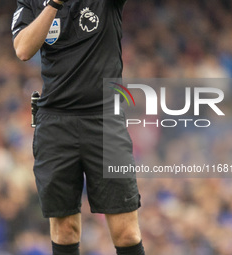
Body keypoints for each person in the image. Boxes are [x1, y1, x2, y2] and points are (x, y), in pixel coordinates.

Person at [12, 0, 145, 254]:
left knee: (127, 233)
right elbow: (23, 49)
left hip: (105, 121)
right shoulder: (31, 2)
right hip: (55, 122)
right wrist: (53, 4)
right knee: (64, 231)